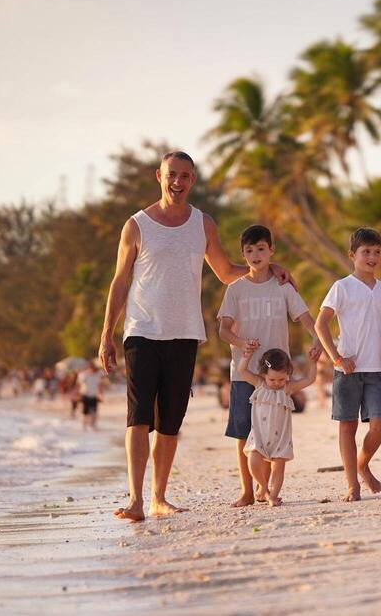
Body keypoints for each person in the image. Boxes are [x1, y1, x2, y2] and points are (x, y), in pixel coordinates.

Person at [98, 150, 291, 523]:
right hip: (142, 331)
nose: (178, 182)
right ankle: (136, 499)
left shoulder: (203, 224)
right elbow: (120, 281)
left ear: (193, 180)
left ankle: (158, 497)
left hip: (185, 333)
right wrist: (107, 333)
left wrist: (268, 268)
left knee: (170, 420)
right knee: (138, 417)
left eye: (185, 176)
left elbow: (224, 271)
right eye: (172, 174)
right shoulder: (136, 225)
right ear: (159, 176)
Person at [216, 224, 322, 508]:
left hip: (276, 376)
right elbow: (224, 330)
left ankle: (268, 489)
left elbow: (306, 317)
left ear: (271, 251)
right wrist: (241, 342)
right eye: (249, 250)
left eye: (261, 249)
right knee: (243, 432)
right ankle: (248, 490)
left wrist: (317, 339)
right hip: (245, 372)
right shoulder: (235, 289)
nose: (255, 255)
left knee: (273, 433)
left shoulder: (282, 286)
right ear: (243, 254)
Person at [316, 227, 381, 502]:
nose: (372, 257)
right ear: (353, 255)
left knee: (380, 424)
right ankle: (352, 484)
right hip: (347, 370)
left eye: (377, 252)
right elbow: (321, 324)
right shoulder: (342, 287)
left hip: (377, 369)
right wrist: (336, 358)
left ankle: (362, 463)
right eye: (366, 252)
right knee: (347, 427)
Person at [234, 345, 314, 506]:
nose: (277, 383)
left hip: (280, 438)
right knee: (252, 459)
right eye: (272, 379)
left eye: (281, 379)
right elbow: (241, 370)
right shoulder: (259, 383)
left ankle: (274, 495)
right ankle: (263, 486)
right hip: (259, 436)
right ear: (264, 374)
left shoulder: (288, 388)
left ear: (288, 375)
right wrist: (247, 355)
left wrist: (313, 362)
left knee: (278, 467)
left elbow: (310, 379)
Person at [78, 363, 103, 430]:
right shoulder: (83, 375)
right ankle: (84, 425)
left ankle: (93, 425)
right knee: (84, 412)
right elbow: (79, 383)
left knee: (94, 412)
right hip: (85, 395)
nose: (92, 370)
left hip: (94, 395)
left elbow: (99, 385)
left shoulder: (97, 375)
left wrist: (100, 394)